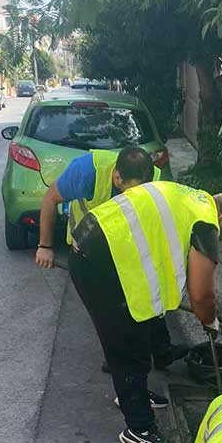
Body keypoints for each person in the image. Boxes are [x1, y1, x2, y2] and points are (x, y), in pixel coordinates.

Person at [69, 181, 222, 443]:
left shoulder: (193, 199)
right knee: (127, 346)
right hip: (97, 262)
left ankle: (134, 394)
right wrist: (210, 321)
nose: (221, 240)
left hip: (98, 244)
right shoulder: (206, 222)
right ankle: (139, 428)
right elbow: (201, 295)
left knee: (139, 332)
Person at [34, 146, 189, 376]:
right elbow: (50, 199)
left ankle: (162, 349)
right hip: (88, 250)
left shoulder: (154, 177)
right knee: (109, 310)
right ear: (117, 177)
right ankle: (118, 361)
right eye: (128, 191)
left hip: (124, 244)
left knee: (148, 293)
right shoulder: (87, 171)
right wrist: (45, 246)